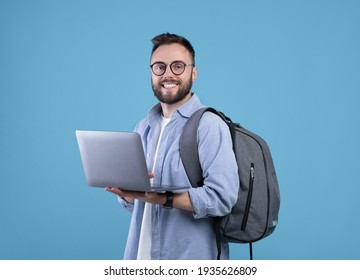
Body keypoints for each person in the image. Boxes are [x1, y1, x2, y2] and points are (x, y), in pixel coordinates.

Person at [106, 33, 239, 260]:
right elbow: (134, 206)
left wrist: (163, 198)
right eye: (159, 67)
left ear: (193, 73)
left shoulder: (209, 125)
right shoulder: (142, 127)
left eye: (178, 66)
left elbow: (222, 198)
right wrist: (127, 193)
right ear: (151, 72)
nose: (168, 74)